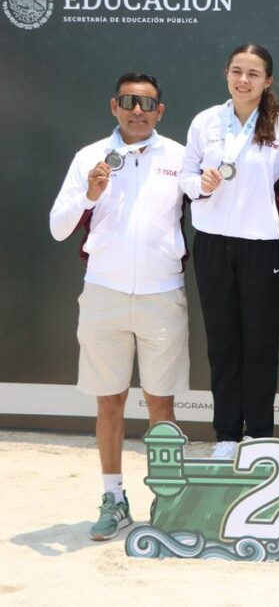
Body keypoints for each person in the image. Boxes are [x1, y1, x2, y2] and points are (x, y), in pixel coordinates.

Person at [49, 73, 189, 540]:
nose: (137, 110)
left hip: (161, 293)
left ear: (160, 111)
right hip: (104, 292)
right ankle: (114, 498)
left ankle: (168, 501)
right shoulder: (89, 157)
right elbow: (57, 226)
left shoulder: (179, 156)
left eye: (147, 103)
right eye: (129, 101)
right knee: (109, 402)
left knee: (161, 404)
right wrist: (90, 194)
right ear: (114, 106)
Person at [179, 44, 279, 458]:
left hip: (263, 246)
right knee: (223, 342)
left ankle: (259, 435)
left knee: (261, 342)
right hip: (212, 241)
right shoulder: (205, 121)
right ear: (226, 74)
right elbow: (185, 175)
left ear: (268, 80)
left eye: (253, 73)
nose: (243, 80)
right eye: (236, 71)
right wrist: (201, 186)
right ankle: (227, 435)